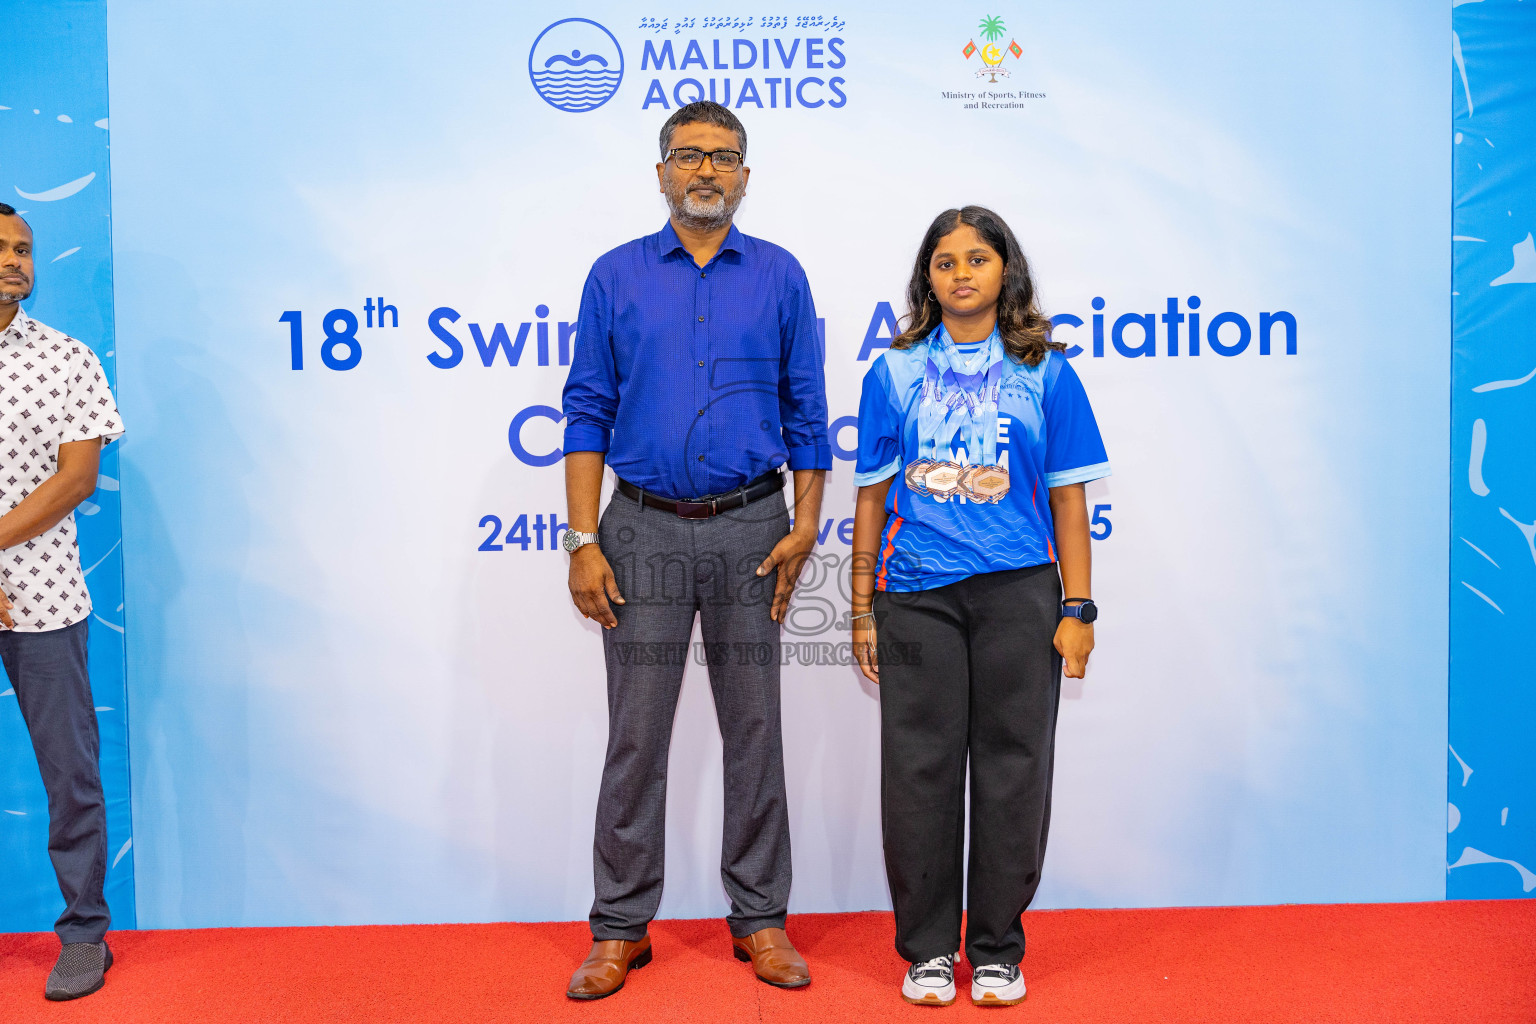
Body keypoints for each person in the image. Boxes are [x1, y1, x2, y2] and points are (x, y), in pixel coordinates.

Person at [559, 101, 829, 999]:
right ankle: (619, 928)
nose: (706, 170)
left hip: (754, 528)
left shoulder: (781, 275)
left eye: (723, 156)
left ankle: (761, 918)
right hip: (640, 531)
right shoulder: (615, 275)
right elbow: (586, 410)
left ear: (746, 175)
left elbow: (807, 413)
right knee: (636, 734)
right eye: (689, 156)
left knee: (755, 728)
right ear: (661, 172)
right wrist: (584, 539)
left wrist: (804, 524)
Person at [850, 206, 1108, 1007]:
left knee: (1014, 768)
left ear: (1006, 271)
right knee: (918, 772)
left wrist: (1078, 608)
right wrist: (860, 607)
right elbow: (870, 498)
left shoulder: (1048, 373)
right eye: (944, 261)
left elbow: (1068, 501)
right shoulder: (892, 374)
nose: (960, 273)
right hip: (914, 597)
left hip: (1020, 595)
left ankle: (996, 950)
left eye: (977, 259)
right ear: (927, 278)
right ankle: (928, 951)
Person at [0, 202, 126, 1000]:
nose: (16, 259)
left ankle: (84, 936)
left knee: (70, 774)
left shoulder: (67, 358)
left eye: (24, 248)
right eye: (1, 247)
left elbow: (76, 480)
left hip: (42, 600)